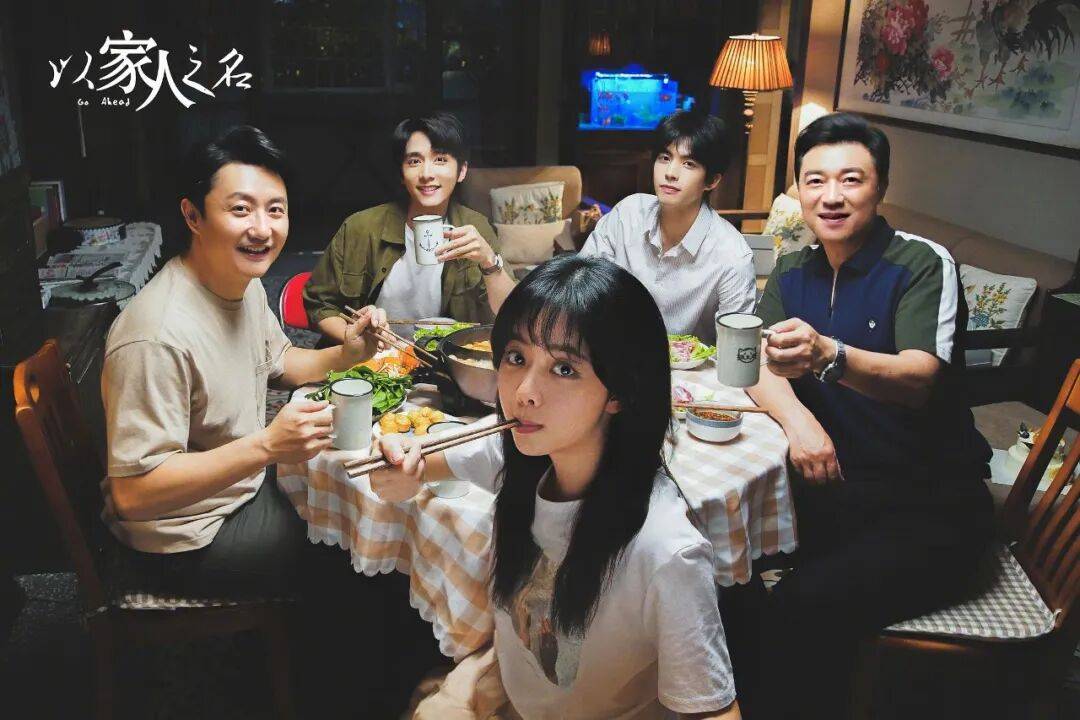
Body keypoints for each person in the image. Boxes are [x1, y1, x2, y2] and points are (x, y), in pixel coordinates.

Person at [370, 255, 741, 720]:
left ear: (620, 391)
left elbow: (713, 711)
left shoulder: (666, 551)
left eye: (564, 368)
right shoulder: (521, 457)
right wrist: (401, 464)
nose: (523, 392)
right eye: (516, 358)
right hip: (517, 696)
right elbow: (416, 465)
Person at [747, 113, 994, 718]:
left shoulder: (919, 264)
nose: (831, 196)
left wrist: (828, 355)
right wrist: (801, 425)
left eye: (851, 179)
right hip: (836, 492)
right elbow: (756, 364)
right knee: (717, 566)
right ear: (798, 190)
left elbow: (918, 379)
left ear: (880, 186)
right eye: (815, 180)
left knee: (802, 607)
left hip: (929, 507)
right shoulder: (791, 270)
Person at [100, 125, 388, 597]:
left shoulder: (241, 283)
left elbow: (282, 361)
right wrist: (268, 446)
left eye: (275, 210)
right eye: (240, 209)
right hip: (187, 536)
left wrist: (350, 353)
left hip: (240, 486)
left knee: (365, 508)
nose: (262, 229)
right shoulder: (157, 335)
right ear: (193, 216)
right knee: (357, 545)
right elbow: (133, 496)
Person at [304, 111, 516, 341]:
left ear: (461, 171)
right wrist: (358, 339)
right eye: (414, 161)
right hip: (369, 355)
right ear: (401, 173)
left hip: (441, 355)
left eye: (440, 159)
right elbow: (320, 304)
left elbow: (512, 314)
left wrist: (489, 262)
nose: (427, 174)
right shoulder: (361, 227)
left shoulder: (475, 227)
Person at [579, 110, 755, 344]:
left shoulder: (732, 256)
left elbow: (736, 347)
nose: (670, 173)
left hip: (693, 367)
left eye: (689, 164)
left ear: (712, 181)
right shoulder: (627, 215)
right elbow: (581, 286)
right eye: (664, 158)